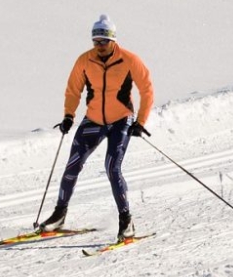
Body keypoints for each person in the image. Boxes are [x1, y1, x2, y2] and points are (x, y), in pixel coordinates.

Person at [39, 14, 155, 236]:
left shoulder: (130, 60)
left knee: (112, 168)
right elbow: (73, 89)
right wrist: (68, 116)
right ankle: (59, 214)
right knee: (73, 164)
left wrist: (140, 122)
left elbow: (147, 89)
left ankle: (126, 220)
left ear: (113, 40)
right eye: (95, 41)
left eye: (103, 41)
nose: (99, 46)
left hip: (121, 120)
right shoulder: (85, 60)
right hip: (93, 119)